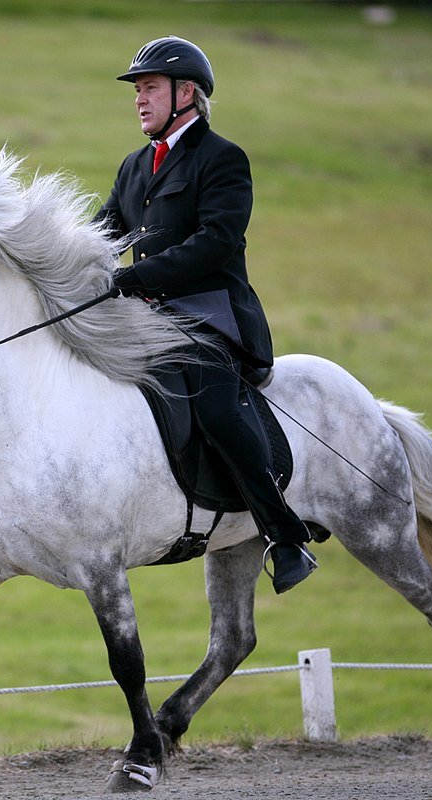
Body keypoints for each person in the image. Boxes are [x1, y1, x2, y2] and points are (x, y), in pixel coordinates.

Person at [94, 35, 317, 593]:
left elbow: (215, 243)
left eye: (149, 88)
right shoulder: (134, 166)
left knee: (216, 412)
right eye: (138, 90)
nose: (140, 99)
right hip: (148, 316)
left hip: (209, 315)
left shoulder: (222, 159)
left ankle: (285, 537)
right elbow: (101, 233)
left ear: (185, 92)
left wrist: (133, 277)